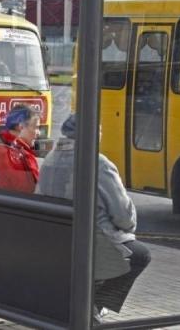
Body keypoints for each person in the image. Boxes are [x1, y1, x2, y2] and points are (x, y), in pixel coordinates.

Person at [36, 115, 150, 322]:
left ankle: (88, 304)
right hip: (89, 242)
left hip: (55, 239)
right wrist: (129, 225)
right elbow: (123, 215)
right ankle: (93, 305)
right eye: (99, 130)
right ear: (93, 133)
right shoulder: (98, 162)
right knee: (140, 254)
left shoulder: (50, 160)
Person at [0, 104, 40, 193]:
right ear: (20, 126)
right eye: (36, 127)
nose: (38, 133)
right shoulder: (15, 156)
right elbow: (29, 191)